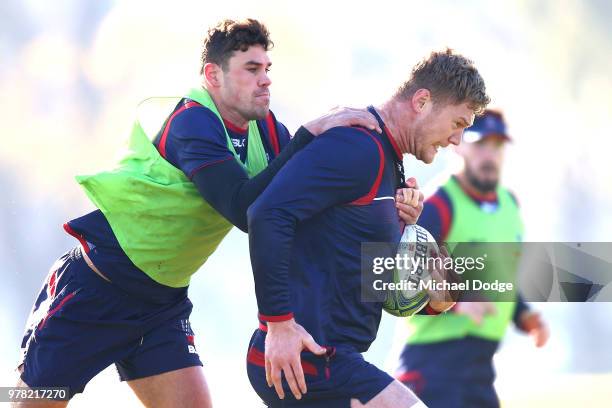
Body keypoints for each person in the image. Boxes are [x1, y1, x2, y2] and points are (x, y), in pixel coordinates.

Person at [14, 19, 388, 408]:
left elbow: (308, 202)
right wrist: (308, 137)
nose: (265, 80)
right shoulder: (191, 121)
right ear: (213, 74)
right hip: (98, 288)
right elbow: (244, 209)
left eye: (267, 69)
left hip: (161, 305)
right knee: (27, 402)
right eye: (251, 69)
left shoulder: (266, 129)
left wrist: (391, 207)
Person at [246, 48, 490, 407]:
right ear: (422, 101)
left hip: (330, 358)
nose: (457, 140)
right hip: (304, 357)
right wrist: (278, 323)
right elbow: (266, 214)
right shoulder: (356, 147)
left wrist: (434, 291)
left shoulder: (389, 165)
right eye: (458, 124)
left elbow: (365, 277)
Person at [395, 109, 550, 408]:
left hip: (480, 367)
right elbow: (401, 280)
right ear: (459, 145)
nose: (489, 155)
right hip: (433, 365)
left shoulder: (509, 206)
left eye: (497, 146)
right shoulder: (439, 204)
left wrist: (524, 316)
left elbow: (502, 276)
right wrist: (457, 303)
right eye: (480, 145)